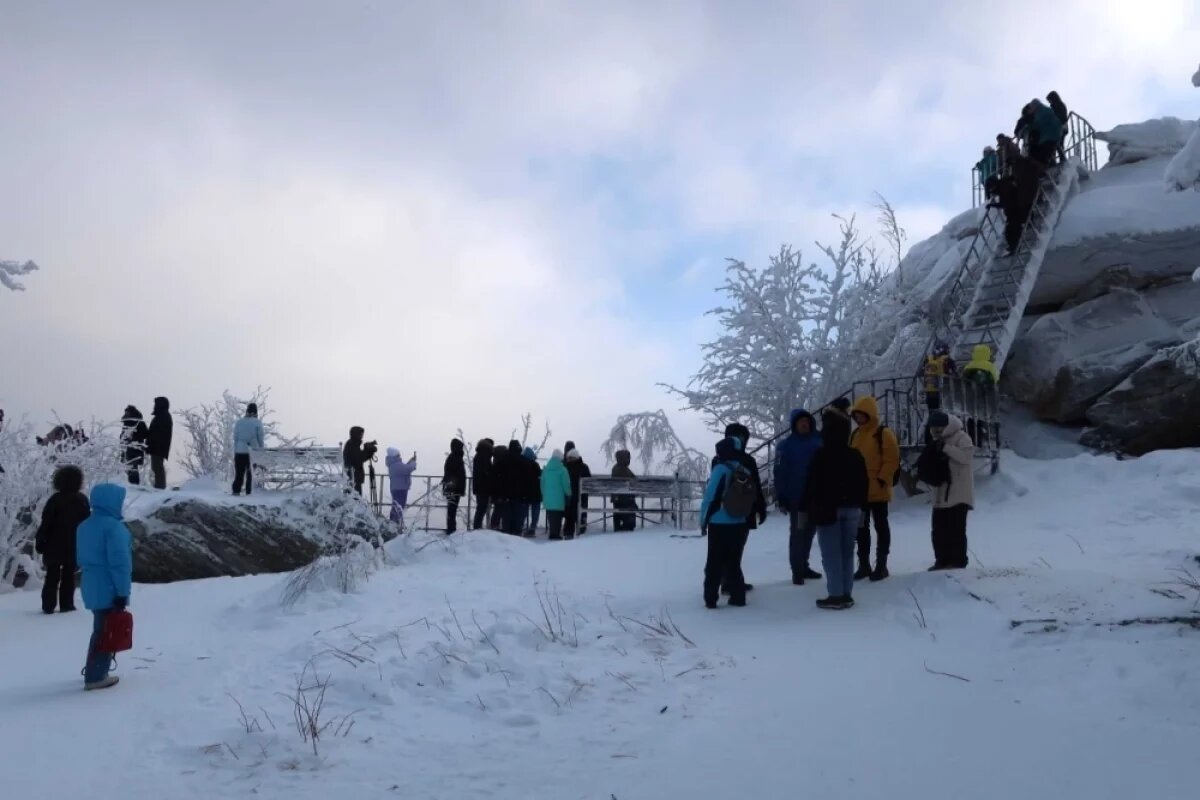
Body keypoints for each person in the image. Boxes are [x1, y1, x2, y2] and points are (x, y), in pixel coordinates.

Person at [805, 411, 868, 610]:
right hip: (853, 509)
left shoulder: (820, 455)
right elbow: (864, 482)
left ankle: (835, 594)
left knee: (831, 554)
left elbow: (812, 484)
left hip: (828, 510)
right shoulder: (855, 454)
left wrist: (809, 505)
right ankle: (846, 592)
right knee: (847, 552)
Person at [76, 483, 132, 691]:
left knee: (101, 628)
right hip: (108, 584)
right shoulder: (114, 528)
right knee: (106, 631)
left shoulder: (84, 526)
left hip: (90, 583)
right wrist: (122, 592)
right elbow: (120, 564)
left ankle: (94, 668)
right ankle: (96, 675)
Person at [849, 396, 900, 582]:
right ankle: (863, 565)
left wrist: (881, 479)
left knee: (881, 527)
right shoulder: (855, 435)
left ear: (869, 414)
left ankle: (881, 565)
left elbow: (892, 459)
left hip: (878, 492)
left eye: (862, 415)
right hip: (860, 492)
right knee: (861, 530)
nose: (859, 418)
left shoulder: (883, 433)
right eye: (856, 415)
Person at [714, 422, 767, 595]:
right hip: (744, 511)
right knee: (736, 548)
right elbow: (756, 487)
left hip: (721, 513)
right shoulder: (747, 460)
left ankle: (726, 581)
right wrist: (761, 507)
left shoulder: (718, 460)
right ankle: (732, 581)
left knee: (723, 549)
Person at [699, 437, 752, 609]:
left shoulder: (720, 469)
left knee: (714, 561)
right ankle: (738, 597)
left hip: (719, 522)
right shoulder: (744, 470)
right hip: (739, 522)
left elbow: (710, 497)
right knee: (733, 562)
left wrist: (703, 520)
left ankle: (710, 599)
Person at [774, 409, 823, 585]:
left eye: (807, 421)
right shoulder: (785, 446)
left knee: (810, 532)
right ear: (795, 424)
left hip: (816, 497)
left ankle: (804, 565)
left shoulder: (818, 441)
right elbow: (779, 472)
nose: (805, 424)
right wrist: (781, 495)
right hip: (798, 499)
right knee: (798, 534)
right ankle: (797, 570)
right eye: (801, 421)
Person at [923, 411, 976, 571]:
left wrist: (946, 448)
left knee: (956, 530)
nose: (936, 431)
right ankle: (941, 560)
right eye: (933, 429)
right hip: (940, 494)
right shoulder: (934, 441)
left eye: (939, 428)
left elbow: (965, 457)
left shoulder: (962, 437)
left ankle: (959, 561)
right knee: (938, 531)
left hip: (959, 494)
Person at [34, 465, 89, 614]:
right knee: (69, 576)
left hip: (53, 545)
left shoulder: (54, 500)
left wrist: (40, 541)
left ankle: (48, 605)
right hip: (73, 545)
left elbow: (46, 522)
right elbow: (86, 525)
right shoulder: (82, 500)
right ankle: (67, 604)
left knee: (51, 576)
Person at [962, 345, 1000, 448]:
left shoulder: (968, 367)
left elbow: (963, 382)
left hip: (970, 401)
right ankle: (995, 443)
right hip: (986, 400)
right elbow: (996, 380)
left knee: (972, 421)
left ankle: (973, 442)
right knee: (991, 419)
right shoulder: (991, 367)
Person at [232, 402, 265, 496]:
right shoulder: (257, 423)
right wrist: (261, 451)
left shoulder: (239, 422)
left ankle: (236, 490)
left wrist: (236, 450)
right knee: (250, 474)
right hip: (252, 452)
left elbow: (235, 438)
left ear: (246, 411)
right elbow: (260, 438)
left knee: (239, 474)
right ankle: (249, 492)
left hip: (239, 452)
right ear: (256, 412)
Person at [540, 450, 572, 540]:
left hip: (548, 498)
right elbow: (566, 484)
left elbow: (542, 483)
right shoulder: (563, 470)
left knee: (551, 516)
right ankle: (556, 534)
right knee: (557, 516)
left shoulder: (546, 469)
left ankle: (552, 532)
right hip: (559, 498)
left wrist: (544, 494)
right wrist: (569, 493)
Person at [563, 448, 592, 539]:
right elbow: (589, 483)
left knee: (570, 512)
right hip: (582, 496)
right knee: (581, 508)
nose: (568, 459)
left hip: (571, 496)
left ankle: (568, 532)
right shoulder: (584, 467)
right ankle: (581, 527)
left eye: (569, 458)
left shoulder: (567, 467)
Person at [146, 396, 173, 489]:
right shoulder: (161, 415)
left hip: (159, 447)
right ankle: (159, 486)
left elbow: (159, 433)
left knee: (157, 467)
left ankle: (160, 487)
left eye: (156, 404)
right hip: (157, 446)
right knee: (156, 467)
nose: (154, 406)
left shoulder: (163, 416)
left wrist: (152, 442)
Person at [385, 447, 417, 524]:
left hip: (396, 488)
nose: (400, 456)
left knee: (396, 507)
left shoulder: (393, 464)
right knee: (399, 508)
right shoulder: (396, 465)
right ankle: (395, 523)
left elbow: (404, 468)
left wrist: (410, 462)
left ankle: (394, 523)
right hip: (400, 489)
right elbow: (408, 469)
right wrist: (413, 462)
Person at [342, 427, 377, 496]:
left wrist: (367, 450)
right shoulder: (352, 445)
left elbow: (359, 457)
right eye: (361, 434)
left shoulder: (351, 444)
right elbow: (359, 459)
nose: (362, 437)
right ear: (356, 435)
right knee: (355, 498)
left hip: (352, 477)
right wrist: (368, 451)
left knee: (352, 498)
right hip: (353, 478)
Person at [441, 439, 467, 534]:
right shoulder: (455, 458)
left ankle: (451, 528)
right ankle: (451, 529)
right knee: (452, 509)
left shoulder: (453, 457)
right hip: (454, 488)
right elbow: (456, 474)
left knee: (452, 509)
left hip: (452, 487)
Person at [504, 439, 528, 536]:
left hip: (507, 492)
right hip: (520, 492)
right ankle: (517, 533)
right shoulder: (524, 461)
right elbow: (527, 478)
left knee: (507, 514)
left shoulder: (504, 460)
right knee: (518, 514)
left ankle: (507, 532)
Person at [1028, 98, 1064, 166]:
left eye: (1032, 107)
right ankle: (1055, 163)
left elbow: (1039, 124)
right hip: (1051, 134)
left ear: (1035, 106)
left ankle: (1053, 167)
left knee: (1044, 152)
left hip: (1050, 135)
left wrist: (1029, 127)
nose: (1031, 109)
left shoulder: (1042, 111)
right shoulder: (1041, 111)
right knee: (1046, 151)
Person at [922, 342, 956, 410]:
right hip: (943, 390)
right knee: (943, 410)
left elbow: (922, 371)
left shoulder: (928, 360)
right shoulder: (948, 360)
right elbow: (955, 374)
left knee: (931, 410)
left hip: (929, 390)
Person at [611, 449, 638, 532]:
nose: (629, 460)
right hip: (624, 499)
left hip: (617, 499)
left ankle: (620, 525)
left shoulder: (616, 468)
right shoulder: (624, 470)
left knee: (625, 504)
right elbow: (634, 480)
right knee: (630, 504)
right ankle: (628, 524)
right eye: (628, 458)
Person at [120, 406, 148, 485]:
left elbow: (145, 434)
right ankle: (132, 486)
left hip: (136, 448)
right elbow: (122, 436)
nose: (126, 414)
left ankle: (135, 486)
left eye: (128, 412)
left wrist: (133, 438)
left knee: (133, 468)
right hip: (127, 449)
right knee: (129, 468)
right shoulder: (126, 423)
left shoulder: (139, 422)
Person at [471, 439, 493, 530]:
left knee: (481, 507)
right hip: (483, 486)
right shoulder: (484, 456)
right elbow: (485, 471)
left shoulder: (479, 454)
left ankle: (477, 526)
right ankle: (477, 527)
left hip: (479, 485)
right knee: (481, 507)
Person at [489, 443, 510, 530]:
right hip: (501, 491)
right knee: (500, 510)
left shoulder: (494, 465)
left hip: (496, 491)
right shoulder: (503, 465)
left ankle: (494, 525)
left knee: (498, 509)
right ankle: (496, 526)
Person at [1047, 91, 1069, 161]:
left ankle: (1061, 159)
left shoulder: (1059, 105)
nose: (1049, 102)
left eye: (1049, 100)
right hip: (1058, 127)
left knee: (1057, 144)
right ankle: (1056, 160)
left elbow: (1063, 117)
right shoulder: (1055, 106)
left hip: (1061, 127)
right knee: (1056, 144)